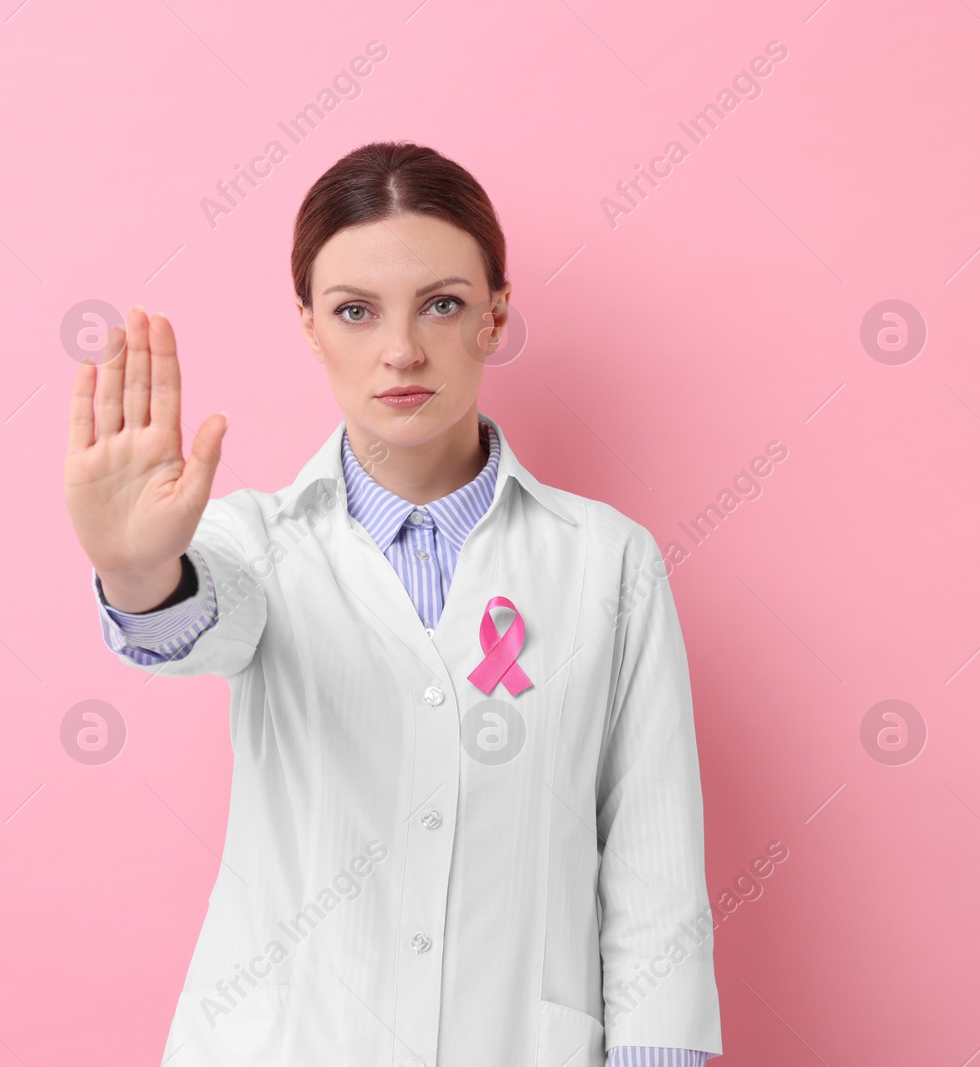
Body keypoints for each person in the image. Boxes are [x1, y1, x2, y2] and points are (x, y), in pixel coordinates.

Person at [63, 141, 721, 1067]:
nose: (402, 349)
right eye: (356, 311)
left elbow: (656, 877)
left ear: (495, 316)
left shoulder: (608, 562)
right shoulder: (254, 544)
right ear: (309, 325)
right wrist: (135, 571)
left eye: (442, 304)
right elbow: (199, 614)